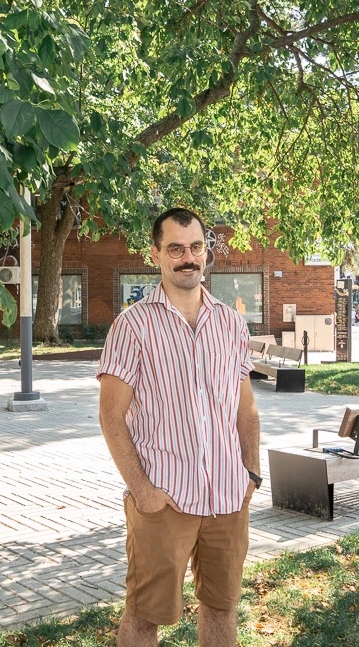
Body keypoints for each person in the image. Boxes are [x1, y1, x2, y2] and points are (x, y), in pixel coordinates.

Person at [97, 207, 261, 647]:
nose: (187, 258)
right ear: (156, 254)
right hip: (164, 499)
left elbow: (245, 410)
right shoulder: (132, 327)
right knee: (144, 616)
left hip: (227, 495)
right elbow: (111, 418)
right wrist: (143, 491)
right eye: (175, 249)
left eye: (195, 247)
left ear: (206, 252)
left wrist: (251, 472)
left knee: (222, 609)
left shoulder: (230, 323)